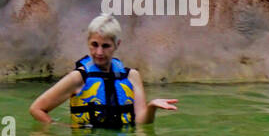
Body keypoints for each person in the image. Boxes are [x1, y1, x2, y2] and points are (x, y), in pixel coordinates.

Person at [28, 16, 178, 128]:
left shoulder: (132, 76)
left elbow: (141, 122)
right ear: (88, 42)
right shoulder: (79, 77)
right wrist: (62, 129)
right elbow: (37, 109)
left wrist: (151, 107)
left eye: (105, 46)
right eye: (94, 44)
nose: (99, 52)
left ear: (117, 45)